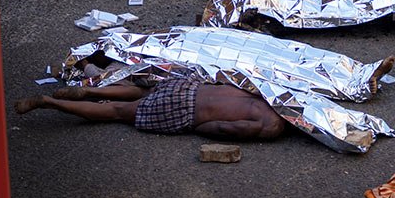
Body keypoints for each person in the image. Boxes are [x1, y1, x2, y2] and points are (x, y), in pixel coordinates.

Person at [14, 80, 288, 141]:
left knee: (143, 92)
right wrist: (196, 128)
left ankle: (92, 90)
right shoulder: (272, 125)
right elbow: (224, 128)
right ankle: (49, 102)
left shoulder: (272, 96)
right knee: (119, 112)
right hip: (186, 108)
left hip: (191, 87)